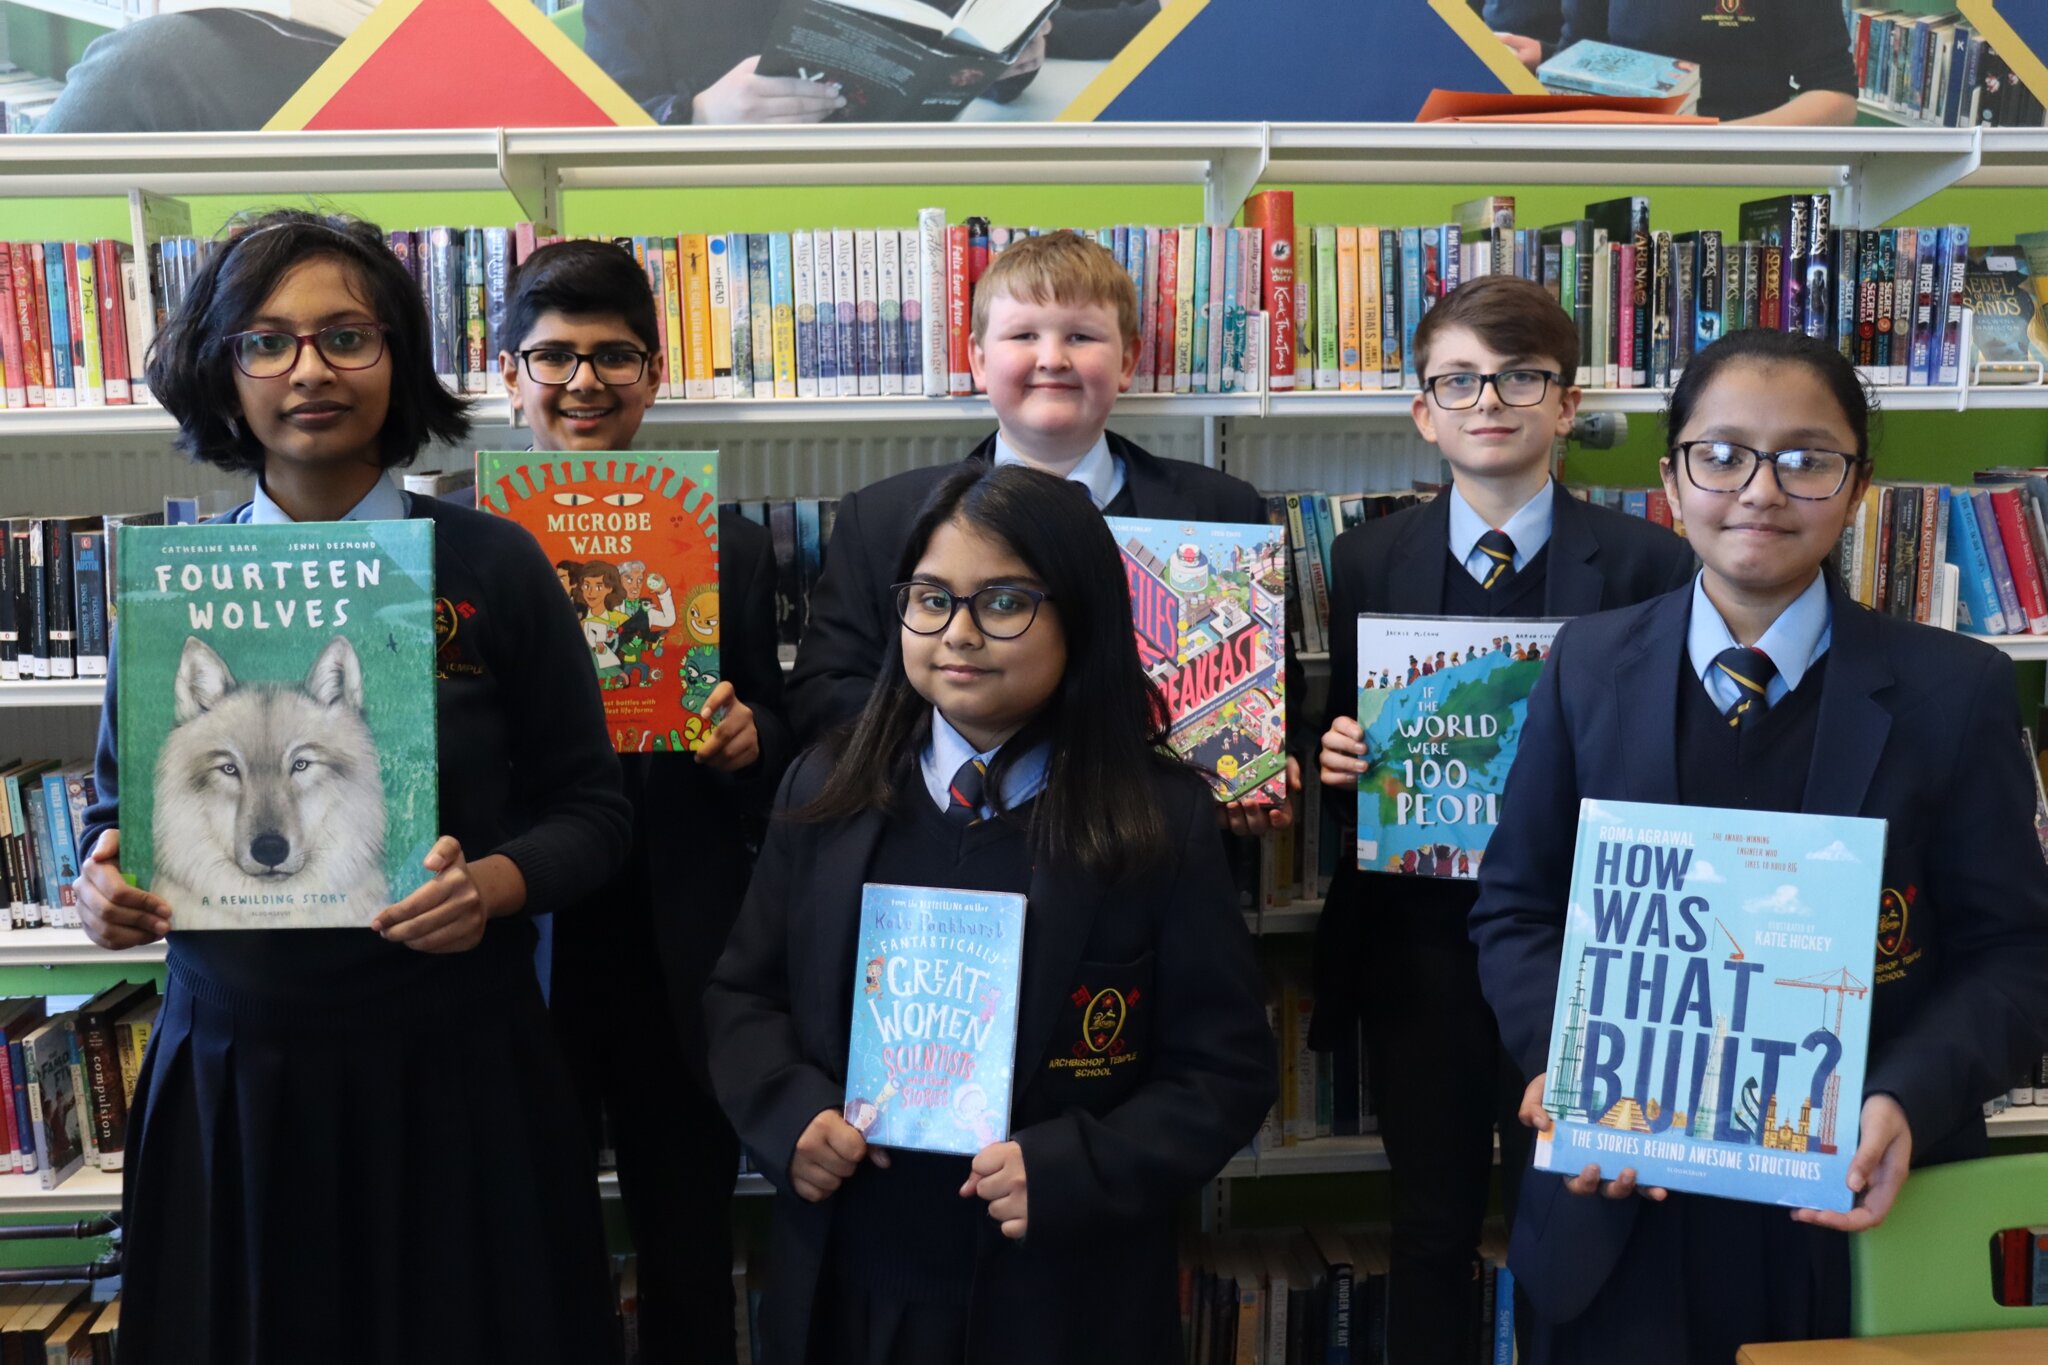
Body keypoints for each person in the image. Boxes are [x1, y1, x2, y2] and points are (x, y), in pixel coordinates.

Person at [71, 210, 632, 1361]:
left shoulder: (492, 565)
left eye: (347, 336)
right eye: (264, 342)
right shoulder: (175, 587)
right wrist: (101, 887)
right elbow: (115, 819)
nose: (309, 369)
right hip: (239, 1074)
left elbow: (595, 812)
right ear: (222, 374)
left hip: (454, 1071)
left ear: (399, 360)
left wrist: (496, 882)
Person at [1468, 328, 2048, 1359]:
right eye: (1721, 453)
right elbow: (1513, 907)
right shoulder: (1584, 667)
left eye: (1805, 458)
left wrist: (1905, 1095)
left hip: (1844, 1227)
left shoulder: (1950, 691)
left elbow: (2015, 955)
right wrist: (1565, 1063)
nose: (1758, 490)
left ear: (1858, 485)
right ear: (1670, 477)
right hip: (1619, 1213)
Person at [706, 461, 1276, 1365]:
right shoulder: (827, 788)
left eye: (1003, 602)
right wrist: (790, 1116)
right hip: (853, 1284)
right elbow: (743, 997)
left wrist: (1076, 1167)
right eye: (930, 599)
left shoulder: (1158, 819)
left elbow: (1227, 1069)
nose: (958, 634)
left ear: (1077, 615)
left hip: (1061, 1298)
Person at [1313, 275, 1694, 1361]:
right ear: (1422, 410)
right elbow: (1329, 720)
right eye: (1459, 380)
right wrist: (1333, 748)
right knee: (1427, 1220)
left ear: (1564, 404)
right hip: (1415, 951)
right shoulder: (1366, 558)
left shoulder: (1647, 565)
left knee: (1572, 1217)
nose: (1490, 400)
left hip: (1579, 948)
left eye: (1519, 376)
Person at [500, 238, 792, 1365]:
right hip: (523, 943)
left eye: (613, 357)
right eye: (554, 356)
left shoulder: (724, 540)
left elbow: (779, 735)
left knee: (687, 1245)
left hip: (679, 950)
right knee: (536, 1241)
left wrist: (743, 741)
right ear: (507, 374)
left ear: (654, 374)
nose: (583, 384)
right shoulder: (455, 548)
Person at [789, 231, 1297, 830]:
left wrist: (1263, 763)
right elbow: (823, 694)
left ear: (1129, 360)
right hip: (948, 835)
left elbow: (1272, 687)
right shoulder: (882, 519)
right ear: (978, 359)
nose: (1052, 357)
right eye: (1024, 335)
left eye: (1080, 336)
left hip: (1158, 844)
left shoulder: (1219, 511)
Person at [583, 0, 1046, 125]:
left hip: (884, 187)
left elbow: (951, 39)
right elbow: (600, 119)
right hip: (715, 203)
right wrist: (699, 114)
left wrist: (1005, 60)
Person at [1487, 0, 1857, 125]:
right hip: (1627, 172)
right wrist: (1547, 59)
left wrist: (1720, 143)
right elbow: (1585, 59)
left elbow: (1835, 98)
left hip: (1747, 175)